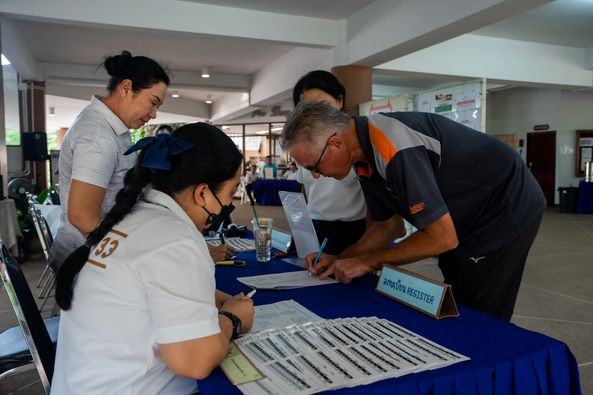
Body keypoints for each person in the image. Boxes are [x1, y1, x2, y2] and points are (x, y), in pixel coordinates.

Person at [282, 101, 546, 321]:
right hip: (461, 215)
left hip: (504, 207)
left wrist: (367, 261)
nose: (315, 176)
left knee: (478, 311)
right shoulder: (361, 152)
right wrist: (340, 259)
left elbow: (442, 237)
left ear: (337, 143)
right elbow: (387, 226)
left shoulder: (393, 146)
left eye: (314, 166)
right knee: (456, 297)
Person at [52, 123, 255, 394]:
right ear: (203, 193)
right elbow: (194, 361)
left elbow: (144, 288)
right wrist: (232, 317)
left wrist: (208, 295)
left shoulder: (135, 217)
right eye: (229, 195)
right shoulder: (176, 238)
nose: (227, 206)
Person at [49, 50, 169, 268]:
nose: (154, 114)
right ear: (126, 88)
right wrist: (136, 255)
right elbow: (83, 217)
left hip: (96, 250)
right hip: (86, 259)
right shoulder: (97, 136)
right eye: (153, 102)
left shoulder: (110, 129)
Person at [292, 70, 402, 255]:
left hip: (352, 232)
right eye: (307, 107)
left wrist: (369, 250)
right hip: (313, 229)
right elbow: (306, 190)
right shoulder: (304, 147)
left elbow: (376, 206)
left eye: (324, 105)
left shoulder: (357, 143)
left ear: (340, 101)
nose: (317, 113)